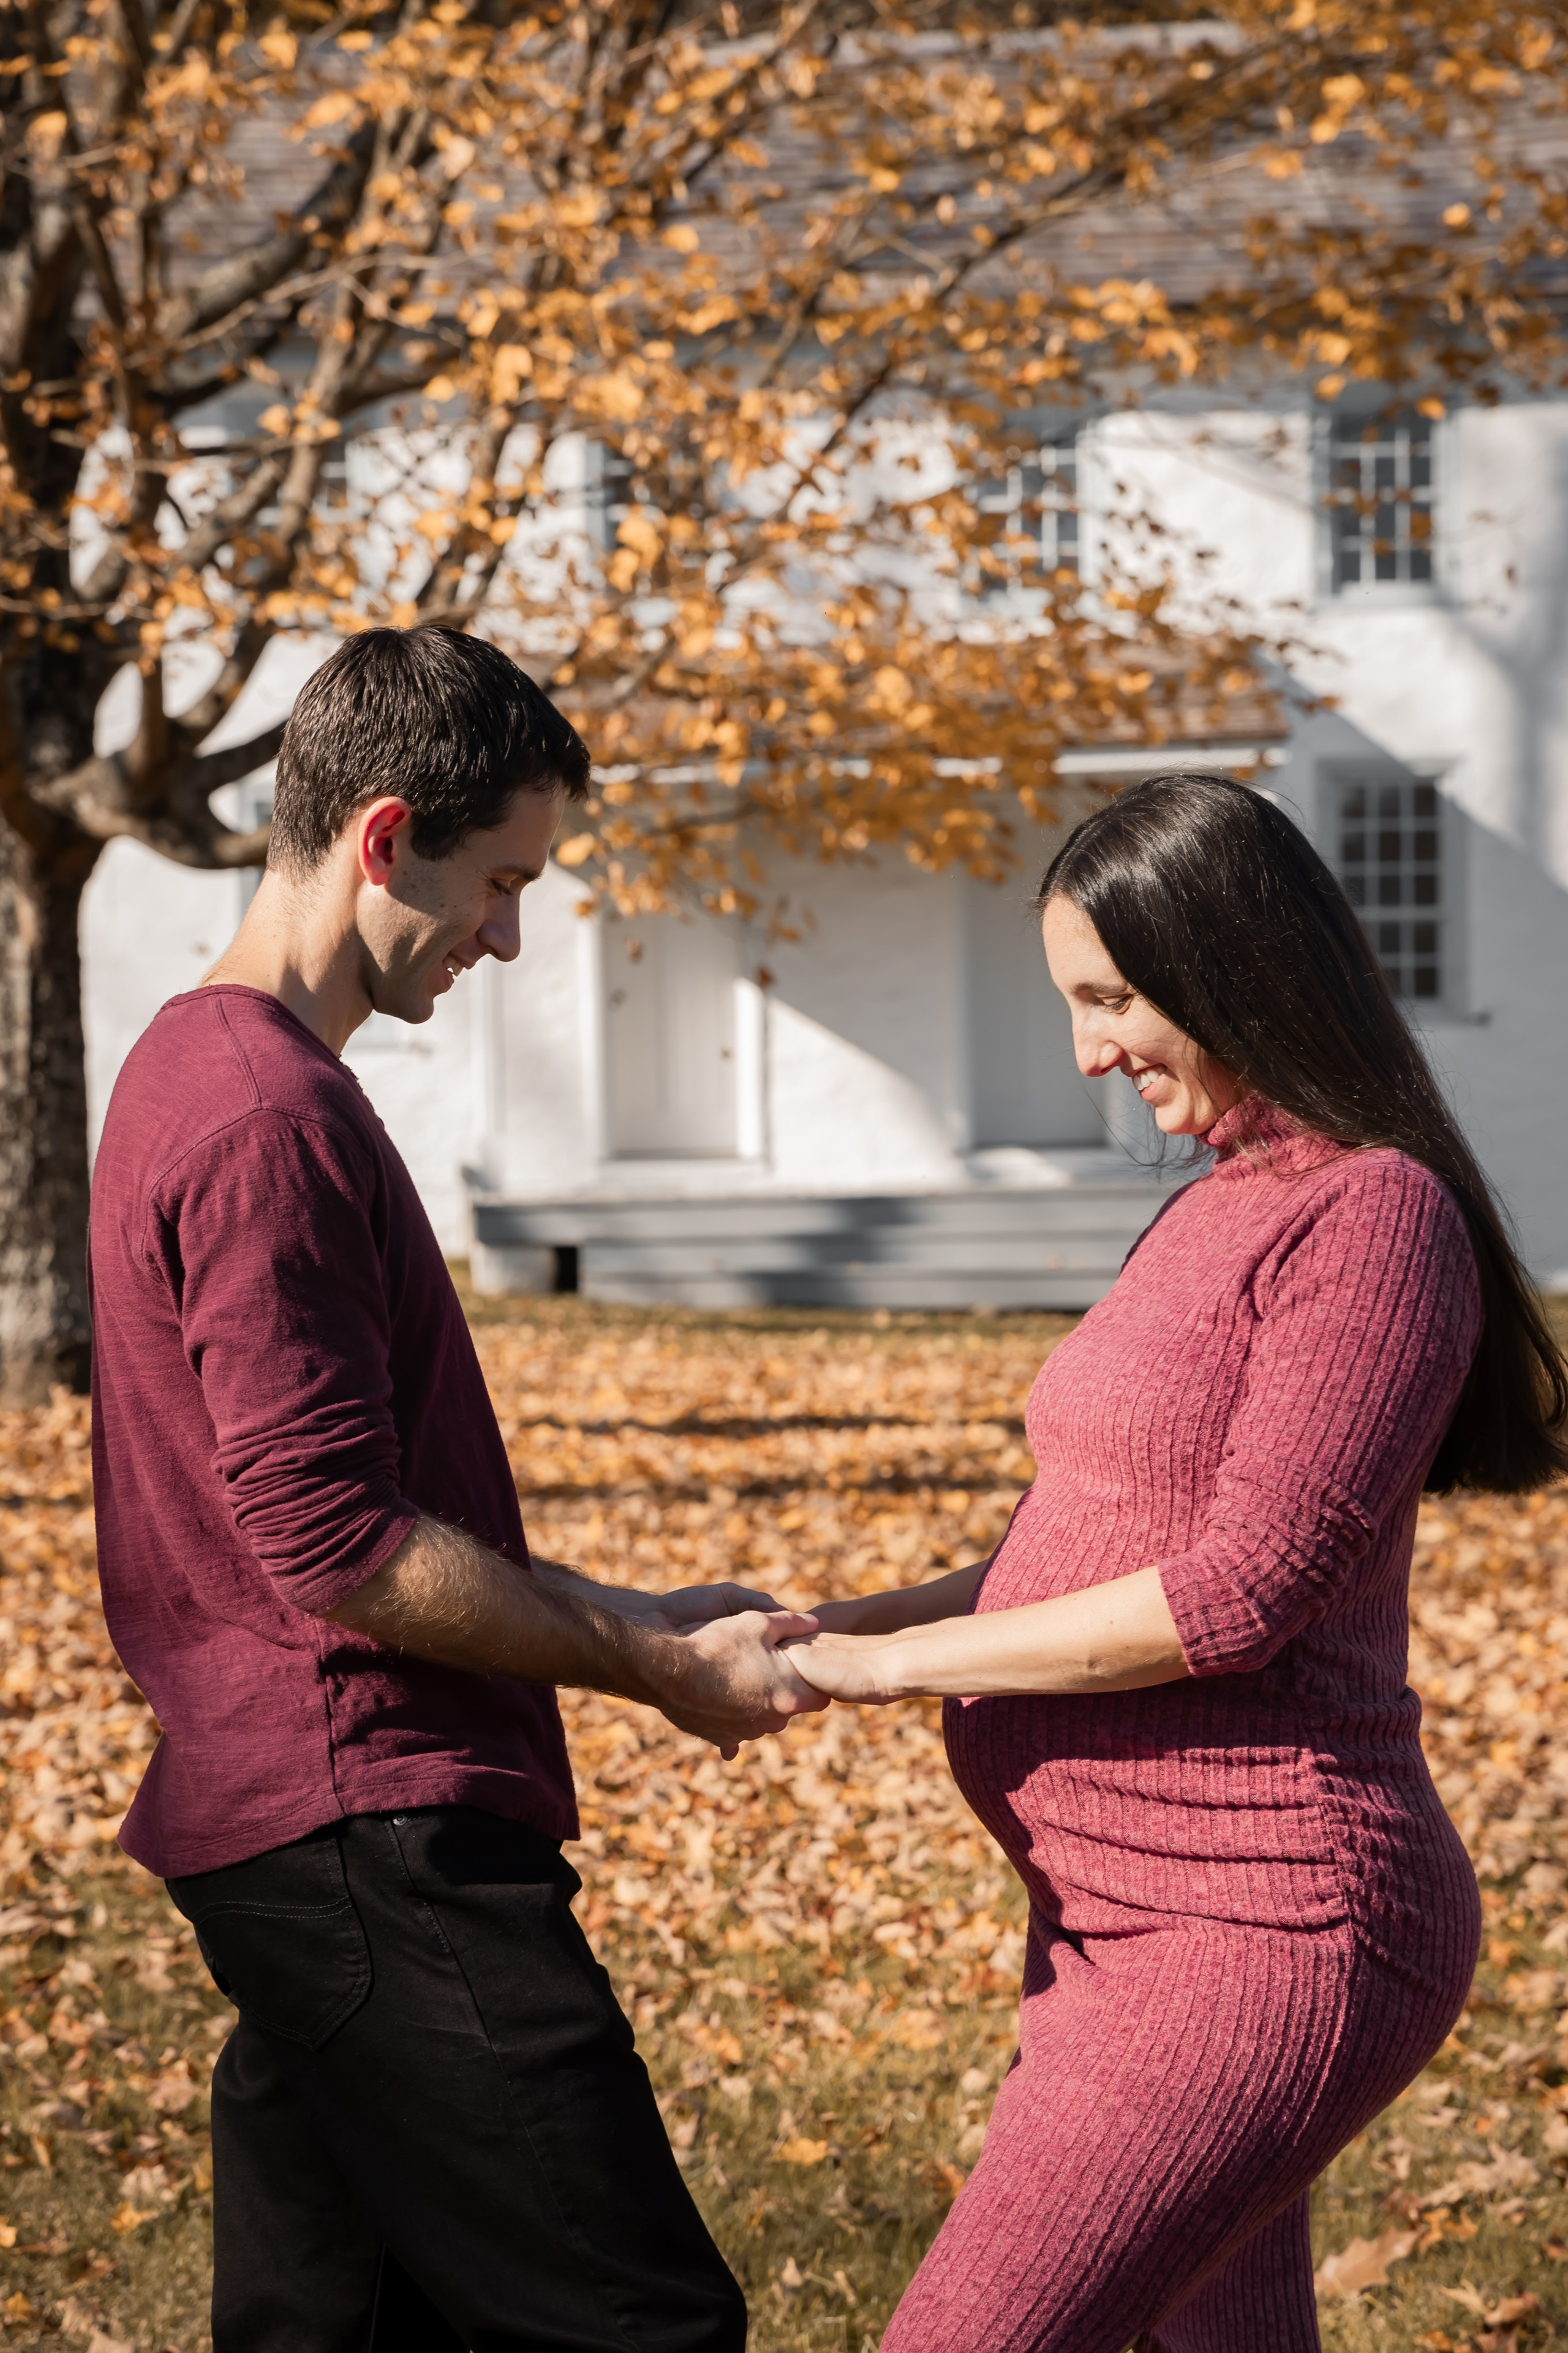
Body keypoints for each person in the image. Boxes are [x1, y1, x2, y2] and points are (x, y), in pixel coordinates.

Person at [88, 624, 823, 2353]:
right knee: (638, 2323)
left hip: (302, 1824)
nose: (508, 936)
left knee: (333, 2330)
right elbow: (334, 1543)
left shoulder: (204, 1072)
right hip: (370, 1829)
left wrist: (642, 1611)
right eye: (500, 883)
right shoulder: (266, 1115)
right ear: (384, 833)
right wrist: (648, 1661)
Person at [790, 771, 1568, 2353]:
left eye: (1111, 996)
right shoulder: (1220, 1205)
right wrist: (836, 1618)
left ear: (1228, 963)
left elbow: (1240, 1591)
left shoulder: (1372, 1215)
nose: (1087, 1048)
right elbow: (1080, 1522)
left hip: (1269, 1920)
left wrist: (868, 1672)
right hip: (1113, 1910)